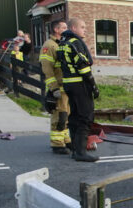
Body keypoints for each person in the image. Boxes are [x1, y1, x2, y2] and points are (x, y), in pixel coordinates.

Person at [58, 18, 99, 162]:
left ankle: (76, 150)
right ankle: (81, 152)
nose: (85, 30)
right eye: (82, 27)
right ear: (73, 28)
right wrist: (93, 85)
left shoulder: (63, 43)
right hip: (79, 85)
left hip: (69, 85)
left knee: (74, 117)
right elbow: (83, 66)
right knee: (85, 117)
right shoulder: (75, 43)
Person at [40, 20, 71, 155]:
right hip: (58, 88)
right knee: (59, 116)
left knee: (66, 115)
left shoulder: (61, 44)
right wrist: (54, 88)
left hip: (66, 88)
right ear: (56, 30)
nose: (67, 29)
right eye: (64, 27)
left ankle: (65, 139)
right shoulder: (49, 46)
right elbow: (47, 70)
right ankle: (57, 144)